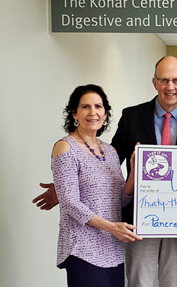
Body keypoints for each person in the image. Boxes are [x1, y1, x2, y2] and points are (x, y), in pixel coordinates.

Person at [33, 56, 177, 287]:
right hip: (139, 219)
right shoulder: (132, 116)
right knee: (139, 281)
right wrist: (66, 186)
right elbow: (107, 164)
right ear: (154, 82)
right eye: (164, 80)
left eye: (176, 80)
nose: (170, 86)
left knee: (173, 281)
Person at [51, 84, 141, 287]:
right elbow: (70, 204)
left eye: (98, 107)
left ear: (105, 113)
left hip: (112, 248)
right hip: (83, 248)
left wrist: (134, 170)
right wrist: (112, 227)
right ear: (74, 113)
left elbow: (122, 198)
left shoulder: (109, 151)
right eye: (85, 107)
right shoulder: (65, 147)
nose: (93, 113)